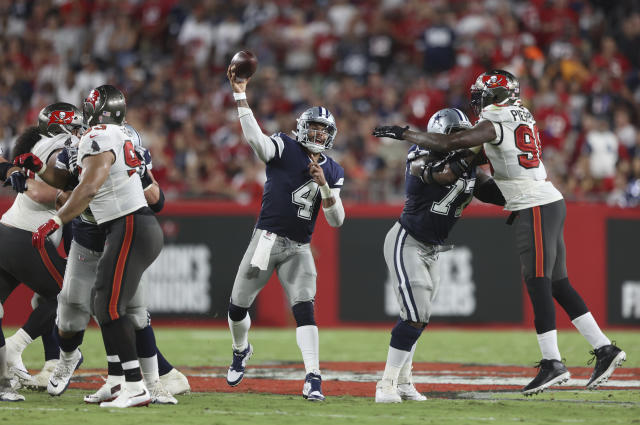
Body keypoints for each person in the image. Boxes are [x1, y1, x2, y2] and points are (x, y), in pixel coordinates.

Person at [373, 69, 626, 396]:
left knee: (538, 281)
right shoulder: (515, 116)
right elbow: (444, 171)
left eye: (482, 96)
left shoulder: (493, 122)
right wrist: (462, 157)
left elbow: (452, 145)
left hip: (534, 203)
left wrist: (406, 132)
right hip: (541, 200)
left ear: (493, 97)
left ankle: (552, 361)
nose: (477, 106)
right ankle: (604, 349)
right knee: (559, 284)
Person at [18, 115, 187, 403]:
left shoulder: (112, 146)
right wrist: (46, 173)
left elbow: (156, 201)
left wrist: (137, 175)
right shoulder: (77, 150)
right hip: (89, 239)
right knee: (72, 311)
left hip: (123, 233)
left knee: (130, 312)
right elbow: (65, 193)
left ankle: (150, 383)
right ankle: (79, 364)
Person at [225, 64, 345, 401]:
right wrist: (240, 95)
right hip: (266, 239)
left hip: (299, 248)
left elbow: (336, 220)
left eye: (325, 131)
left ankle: (313, 377)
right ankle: (240, 349)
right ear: (303, 128)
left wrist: (324, 187)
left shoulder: (332, 170)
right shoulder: (284, 146)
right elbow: (255, 141)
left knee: (304, 307)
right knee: (237, 307)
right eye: (315, 129)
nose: (319, 135)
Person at [374, 108, 506, 403]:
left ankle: (405, 382)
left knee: (417, 316)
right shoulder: (420, 155)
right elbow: (443, 174)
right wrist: (475, 151)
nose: (461, 139)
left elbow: (499, 195)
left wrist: (522, 179)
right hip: (406, 240)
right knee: (416, 314)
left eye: (464, 134)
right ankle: (386, 384)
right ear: (438, 136)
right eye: (455, 135)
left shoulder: (470, 168)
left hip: (432, 249)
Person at [0, 103, 84, 401]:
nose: (79, 132)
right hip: (27, 235)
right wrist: (77, 197)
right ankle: (14, 349)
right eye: (75, 127)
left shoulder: (38, 143)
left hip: (7, 230)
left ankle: (9, 369)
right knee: (67, 297)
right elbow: (39, 191)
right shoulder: (59, 146)